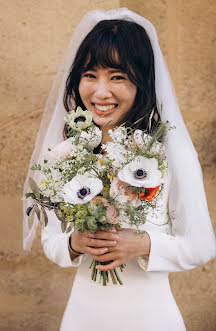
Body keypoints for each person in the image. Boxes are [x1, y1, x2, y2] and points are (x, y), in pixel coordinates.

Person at [23, 9, 216, 331]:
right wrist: (74, 243)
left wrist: (145, 244)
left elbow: (202, 245)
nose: (100, 92)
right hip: (82, 316)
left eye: (117, 76)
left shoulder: (169, 152)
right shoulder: (66, 153)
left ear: (143, 81)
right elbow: (51, 241)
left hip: (151, 318)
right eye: (89, 75)